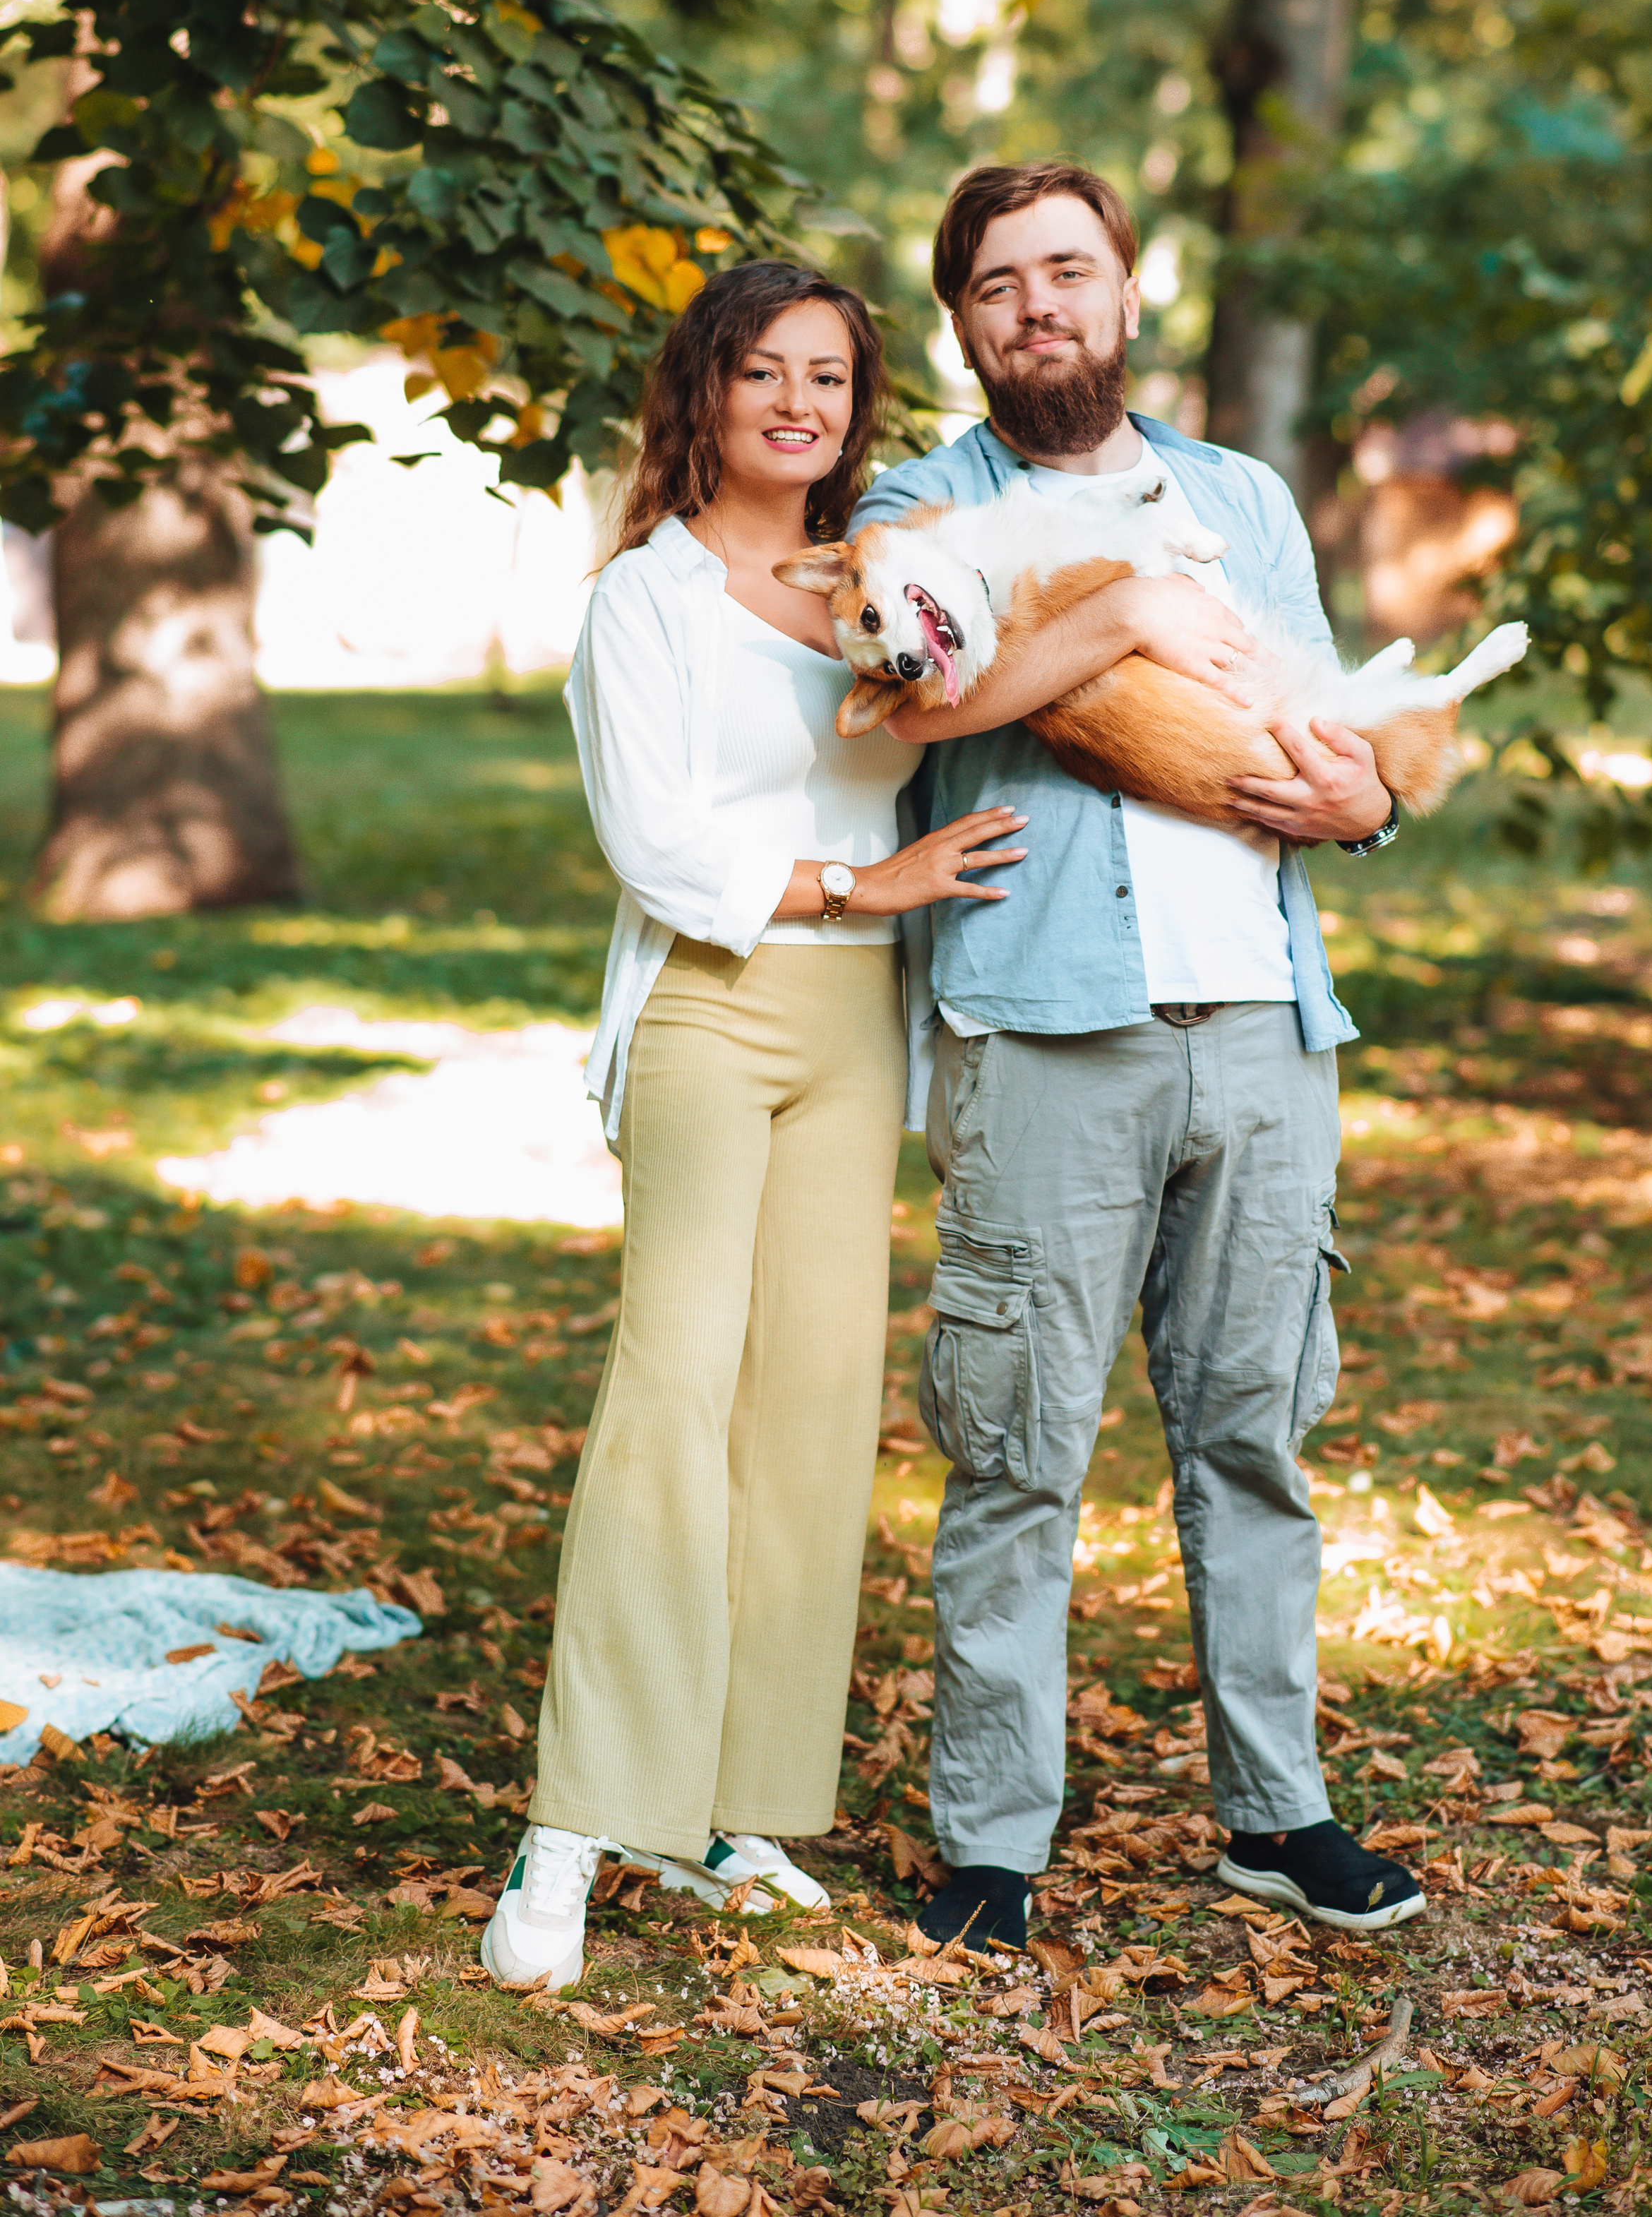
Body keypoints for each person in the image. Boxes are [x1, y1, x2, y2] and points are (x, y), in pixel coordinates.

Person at [850, 160, 1426, 1947]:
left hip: (1259, 1023)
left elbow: (1340, 733)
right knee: (1018, 1448)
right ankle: (992, 1842)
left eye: (1068, 270)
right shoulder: (917, 502)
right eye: (1000, 281)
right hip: (1044, 1031)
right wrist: (1114, 620)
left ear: (1122, 291)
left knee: (1253, 1436)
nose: (1039, 304)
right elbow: (913, 689)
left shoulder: (1240, 494)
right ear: (963, 320)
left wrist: (1368, 798)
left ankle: (1278, 1812)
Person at [482, 259, 1025, 1990]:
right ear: (703, 392)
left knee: (804, 1416)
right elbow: (653, 845)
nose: (801, 405)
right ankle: (571, 1826)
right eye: (764, 373)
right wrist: (872, 878)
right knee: (670, 1394)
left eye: (832, 379)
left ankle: (735, 1810)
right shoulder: (644, 600)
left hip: (853, 1025)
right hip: (709, 1008)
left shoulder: (886, 580)